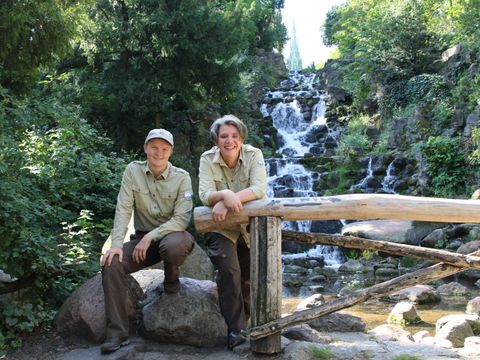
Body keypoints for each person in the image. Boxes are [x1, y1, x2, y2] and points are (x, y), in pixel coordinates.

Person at [100, 129, 195, 354]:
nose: (158, 153)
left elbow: (182, 219)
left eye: (164, 148)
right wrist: (115, 245)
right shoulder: (133, 171)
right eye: (154, 147)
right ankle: (117, 333)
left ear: (171, 151)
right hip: (141, 239)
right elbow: (123, 209)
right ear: (145, 148)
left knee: (171, 247)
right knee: (111, 264)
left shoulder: (182, 177)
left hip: (173, 236)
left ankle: (172, 281)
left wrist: (152, 236)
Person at [198, 115, 267, 349]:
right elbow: (205, 194)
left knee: (247, 276)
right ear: (216, 140)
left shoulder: (254, 154)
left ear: (242, 138)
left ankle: (243, 324)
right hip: (220, 227)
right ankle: (235, 331)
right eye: (224, 136)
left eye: (234, 136)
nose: (230, 141)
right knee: (229, 271)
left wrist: (229, 199)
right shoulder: (207, 159)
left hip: (249, 226)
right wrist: (223, 195)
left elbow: (259, 189)